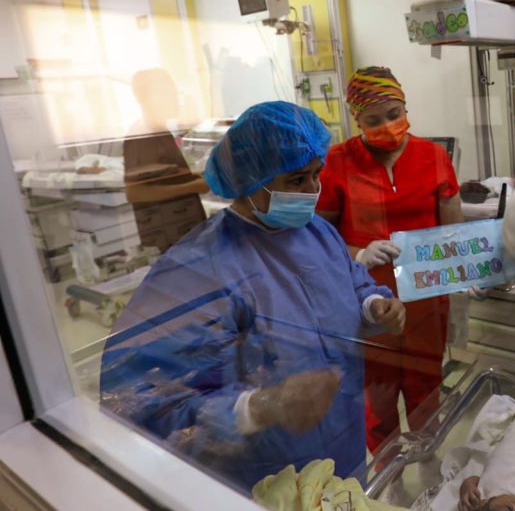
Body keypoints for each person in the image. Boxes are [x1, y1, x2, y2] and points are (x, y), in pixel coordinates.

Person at [100, 101, 406, 491]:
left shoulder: (318, 234)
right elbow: (135, 393)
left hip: (342, 448)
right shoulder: (200, 267)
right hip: (262, 474)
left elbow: (351, 282)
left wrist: (373, 306)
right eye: (297, 180)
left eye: (316, 174)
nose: (313, 190)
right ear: (251, 179)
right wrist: (259, 407)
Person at [316, 66, 463, 452]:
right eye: (373, 120)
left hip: (426, 298)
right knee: (377, 396)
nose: (387, 126)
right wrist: (357, 254)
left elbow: (454, 230)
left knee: (426, 389)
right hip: (369, 301)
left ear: (405, 107)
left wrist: (468, 269)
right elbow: (318, 236)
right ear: (357, 120)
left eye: (394, 114)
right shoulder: (337, 162)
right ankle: (386, 470)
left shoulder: (433, 156)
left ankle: (429, 461)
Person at [123, 68, 208, 253]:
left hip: (184, 231)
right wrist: (193, 186)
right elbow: (135, 192)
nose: (175, 99)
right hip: (166, 237)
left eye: (174, 92)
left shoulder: (161, 131)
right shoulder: (142, 135)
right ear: (147, 98)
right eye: (168, 93)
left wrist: (195, 176)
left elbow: (164, 174)